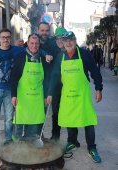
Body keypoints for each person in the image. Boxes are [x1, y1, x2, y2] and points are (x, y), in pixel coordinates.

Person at [0, 28, 52, 155]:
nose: (5, 39)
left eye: (8, 37)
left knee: (9, 119)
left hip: (10, 90)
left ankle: (10, 141)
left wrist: (45, 53)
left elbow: (34, 48)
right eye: (3, 37)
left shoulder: (17, 50)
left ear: (11, 39)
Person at [47, 31, 103, 163]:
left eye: (70, 40)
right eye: (65, 40)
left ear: (75, 40)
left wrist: (99, 88)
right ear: (63, 42)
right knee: (70, 119)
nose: (68, 42)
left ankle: (91, 147)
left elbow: (95, 71)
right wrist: (49, 93)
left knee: (88, 120)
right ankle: (72, 142)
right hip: (68, 94)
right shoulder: (61, 57)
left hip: (82, 94)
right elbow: (54, 76)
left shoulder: (84, 54)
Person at [15, 22, 62, 140]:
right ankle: (33, 137)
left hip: (51, 85)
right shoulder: (31, 43)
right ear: (38, 30)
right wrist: (17, 46)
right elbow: (25, 50)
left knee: (53, 113)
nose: (44, 33)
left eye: (47, 30)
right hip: (33, 86)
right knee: (34, 112)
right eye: (42, 30)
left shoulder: (53, 44)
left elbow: (63, 52)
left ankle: (53, 137)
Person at [11, 33, 50, 138]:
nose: (34, 45)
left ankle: (29, 147)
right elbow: (14, 77)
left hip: (37, 99)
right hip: (22, 98)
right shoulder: (20, 57)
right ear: (27, 43)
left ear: (39, 44)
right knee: (18, 126)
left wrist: (46, 96)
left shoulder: (43, 59)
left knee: (33, 127)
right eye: (32, 43)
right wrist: (13, 95)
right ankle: (17, 148)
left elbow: (46, 80)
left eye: (36, 43)